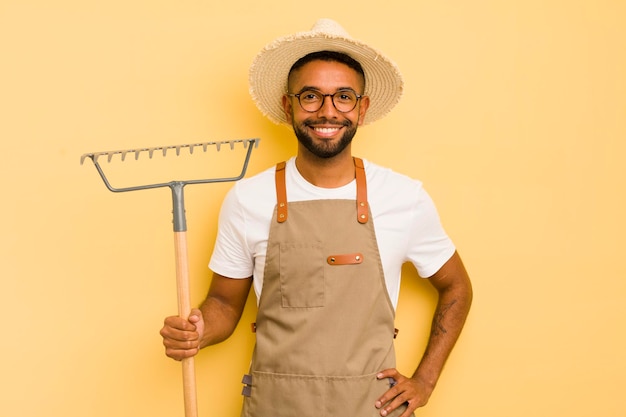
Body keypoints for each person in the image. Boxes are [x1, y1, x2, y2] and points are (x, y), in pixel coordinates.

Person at [160, 18, 473, 417]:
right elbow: (224, 301)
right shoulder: (247, 199)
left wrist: (425, 380)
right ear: (289, 106)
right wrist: (199, 330)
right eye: (311, 96)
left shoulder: (403, 197)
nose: (327, 111)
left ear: (362, 109)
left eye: (343, 97)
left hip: (370, 407)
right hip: (275, 407)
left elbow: (458, 288)